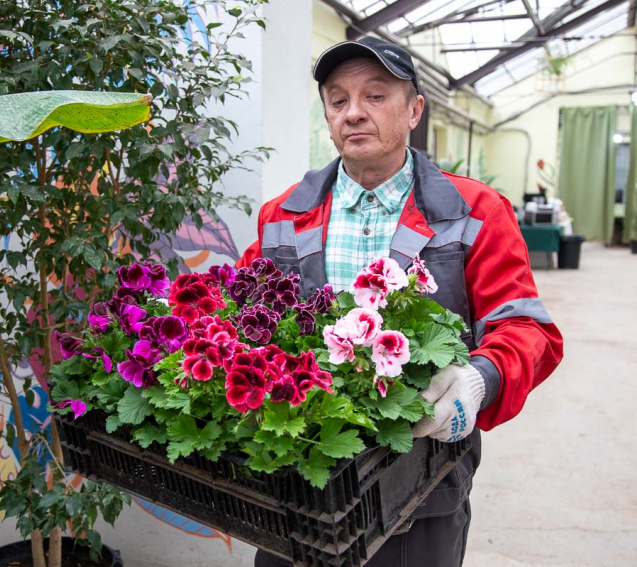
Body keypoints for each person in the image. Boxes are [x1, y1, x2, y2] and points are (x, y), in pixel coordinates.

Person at [236, 36, 564, 567]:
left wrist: (480, 378)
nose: (354, 113)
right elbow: (239, 315)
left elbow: (527, 329)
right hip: (295, 482)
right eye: (338, 100)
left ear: (414, 110)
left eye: (376, 95)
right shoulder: (281, 215)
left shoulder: (474, 211)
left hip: (420, 486)